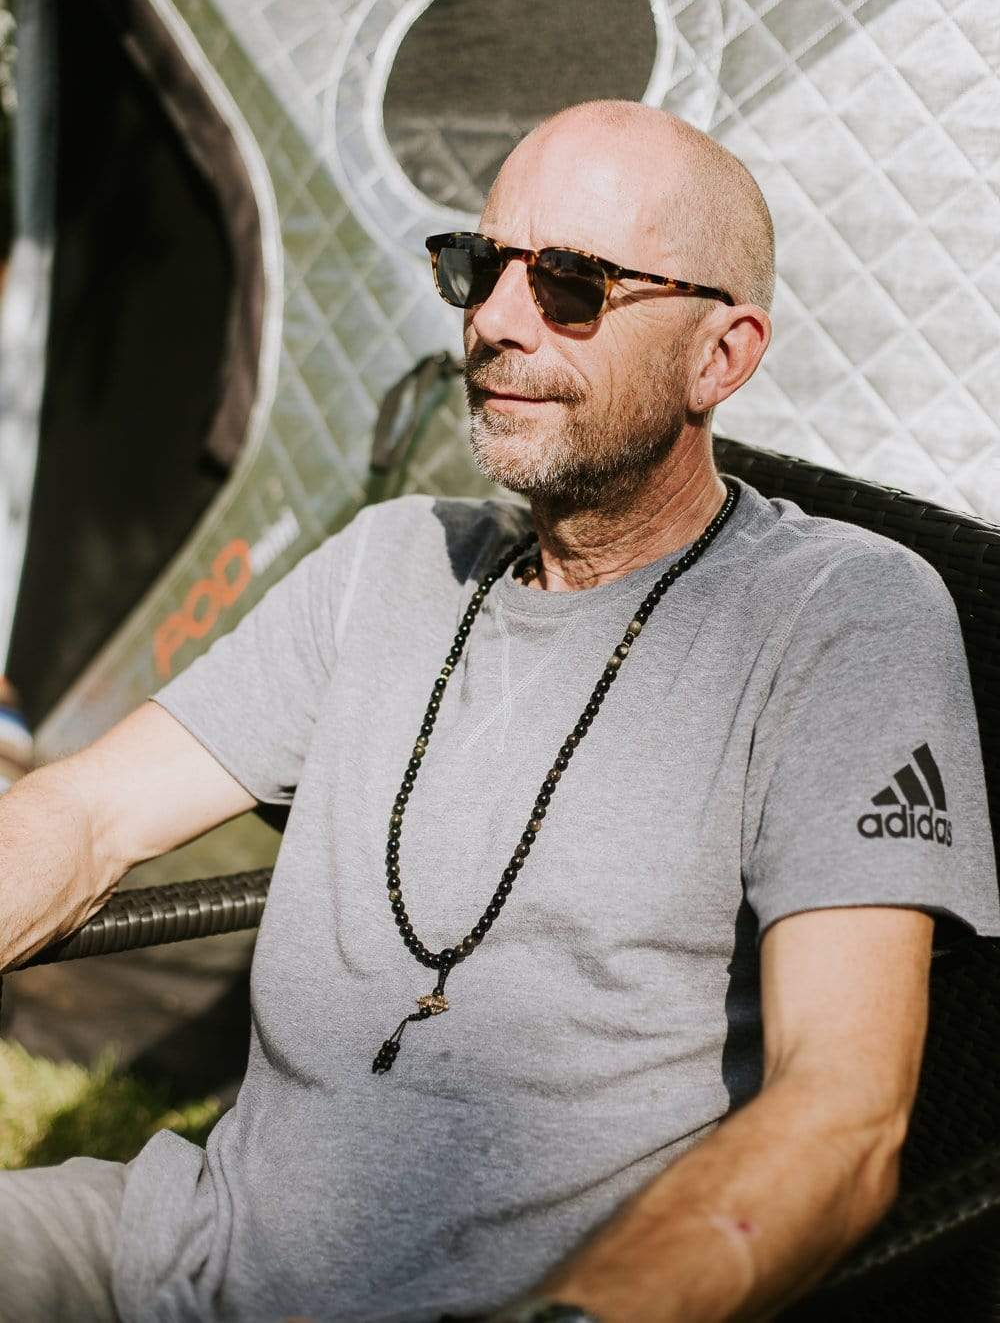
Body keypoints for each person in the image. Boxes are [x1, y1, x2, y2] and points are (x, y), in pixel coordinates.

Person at [1, 100, 997, 1323]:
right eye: (479, 268)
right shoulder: (387, 561)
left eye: (573, 285)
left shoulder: (840, 618)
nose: (495, 321)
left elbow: (840, 1114)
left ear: (721, 356)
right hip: (171, 1253)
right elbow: (85, 815)